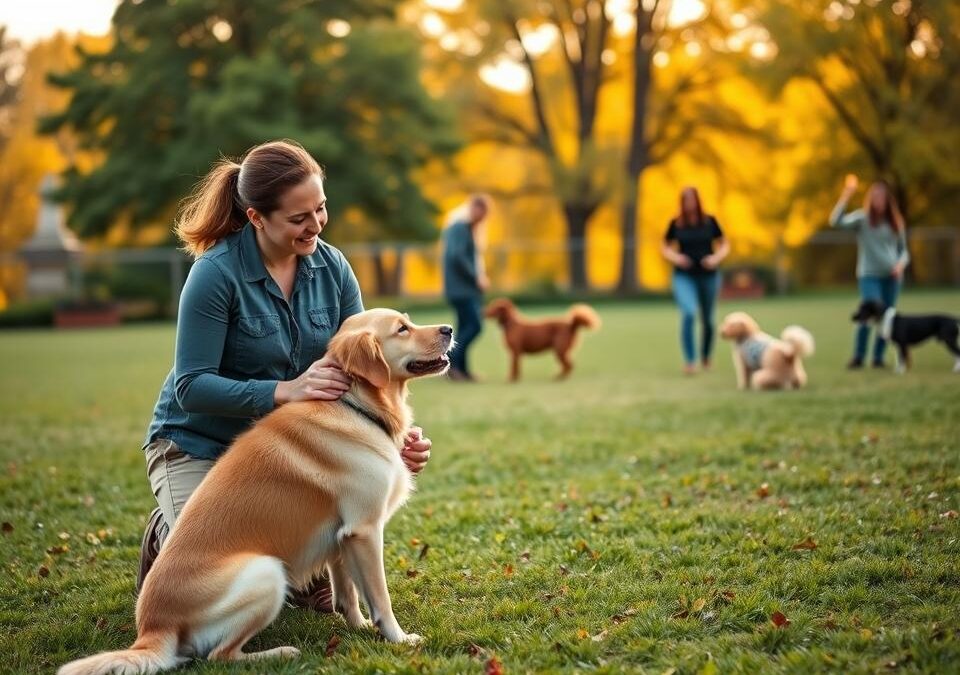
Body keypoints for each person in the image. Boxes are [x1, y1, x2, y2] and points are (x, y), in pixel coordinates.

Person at [136, 140, 433, 612]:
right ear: (257, 218)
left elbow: (364, 371)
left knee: (297, 589)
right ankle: (164, 534)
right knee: (212, 562)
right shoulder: (215, 274)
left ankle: (295, 568)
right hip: (199, 445)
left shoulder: (332, 268)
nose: (315, 225)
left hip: (289, 455)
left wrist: (392, 441)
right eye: (299, 218)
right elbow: (191, 387)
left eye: (321, 209)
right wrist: (283, 391)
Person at [829, 175, 909, 369]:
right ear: (870, 199)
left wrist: (900, 265)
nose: (878, 200)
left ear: (887, 199)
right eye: (874, 196)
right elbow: (835, 221)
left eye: (881, 196)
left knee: (886, 318)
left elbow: (904, 251)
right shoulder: (862, 219)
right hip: (869, 275)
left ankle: (878, 358)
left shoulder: (895, 222)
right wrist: (847, 193)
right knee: (866, 314)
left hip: (892, 277)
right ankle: (858, 356)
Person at [661, 187, 730, 374]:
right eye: (685, 200)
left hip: (708, 275)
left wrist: (715, 259)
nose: (689, 203)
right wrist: (676, 258)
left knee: (707, 319)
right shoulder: (676, 224)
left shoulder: (709, 221)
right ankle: (690, 361)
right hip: (684, 275)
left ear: (698, 200)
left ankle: (706, 356)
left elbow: (724, 244)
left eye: (691, 199)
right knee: (689, 313)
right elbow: (665, 247)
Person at [442, 194, 490, 381]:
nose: (484, 219)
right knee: (475, 326)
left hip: (461, 289)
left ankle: (461, 370)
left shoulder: (462, 227)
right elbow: (458, 256)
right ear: (476, 208)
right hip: (462, 289)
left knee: (463, 328)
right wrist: (476, 277)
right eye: (483, 213)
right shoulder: (460, 227)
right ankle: (451, 361)